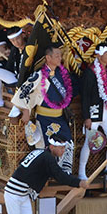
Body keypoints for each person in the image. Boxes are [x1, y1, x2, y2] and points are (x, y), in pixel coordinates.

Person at [12, 44, 75, 173]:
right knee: (44, 147)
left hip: (60, 116)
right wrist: (25, 111)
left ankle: (64, 171)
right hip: (44, 118)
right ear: (48, 58)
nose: (60, 58)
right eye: (57, 56)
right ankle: (45, 174)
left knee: (67, 142)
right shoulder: (39, 75)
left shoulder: (63, 73)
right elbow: (25, 91)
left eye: (60, 55)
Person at [78, 43, 107, 182]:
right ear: (99, 55)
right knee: (89, 143)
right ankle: (81, 171)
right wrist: (87, 117)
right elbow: (85, 96)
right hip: (94, 111)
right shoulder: (90, 72)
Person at [0, 26, 25, 113]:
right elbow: (9, 67)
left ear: (22, 35)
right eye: (12, 41)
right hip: (16, 77)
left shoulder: (29, 48)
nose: (16, 42)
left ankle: (17, 105)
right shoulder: (14, 50)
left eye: (17, 38)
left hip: (27, 80)